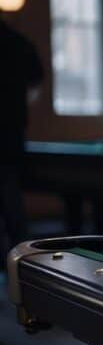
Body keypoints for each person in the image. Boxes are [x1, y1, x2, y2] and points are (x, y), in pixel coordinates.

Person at [0, 13, 44, 253]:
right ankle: (21, 261)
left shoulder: (18, 43)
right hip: (12, 131)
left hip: (9, 132)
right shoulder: (20, 43)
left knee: (10, 198)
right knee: (11, 200)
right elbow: (36, 81)